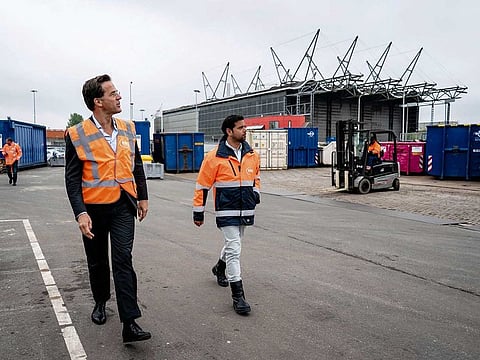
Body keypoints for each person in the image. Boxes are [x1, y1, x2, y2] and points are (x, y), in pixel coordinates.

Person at [65, 74, 151, 344]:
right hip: (94, 209)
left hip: (124, 205)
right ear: (97, 102)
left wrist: (143, 197)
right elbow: (72, 178)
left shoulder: (127, 128)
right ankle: (100, 301)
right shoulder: (76, 134)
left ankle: (130, 322)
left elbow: (135, 164)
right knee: (98, 260)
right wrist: (80, 213)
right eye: (113, 93)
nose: (119, 96)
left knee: (123, 259)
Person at [193, 114, 261, 315]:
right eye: (240, 128)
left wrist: (255, 193)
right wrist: (199, 212)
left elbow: (256, 176)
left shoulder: (252, 154)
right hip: (226, 210)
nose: (244, 130)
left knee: (235, 243)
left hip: (246, 208)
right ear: (229, 131)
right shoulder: (214, 157)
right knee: (234, 249)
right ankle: (238, 296)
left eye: (245, 127)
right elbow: (202, 186)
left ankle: (219, 268)